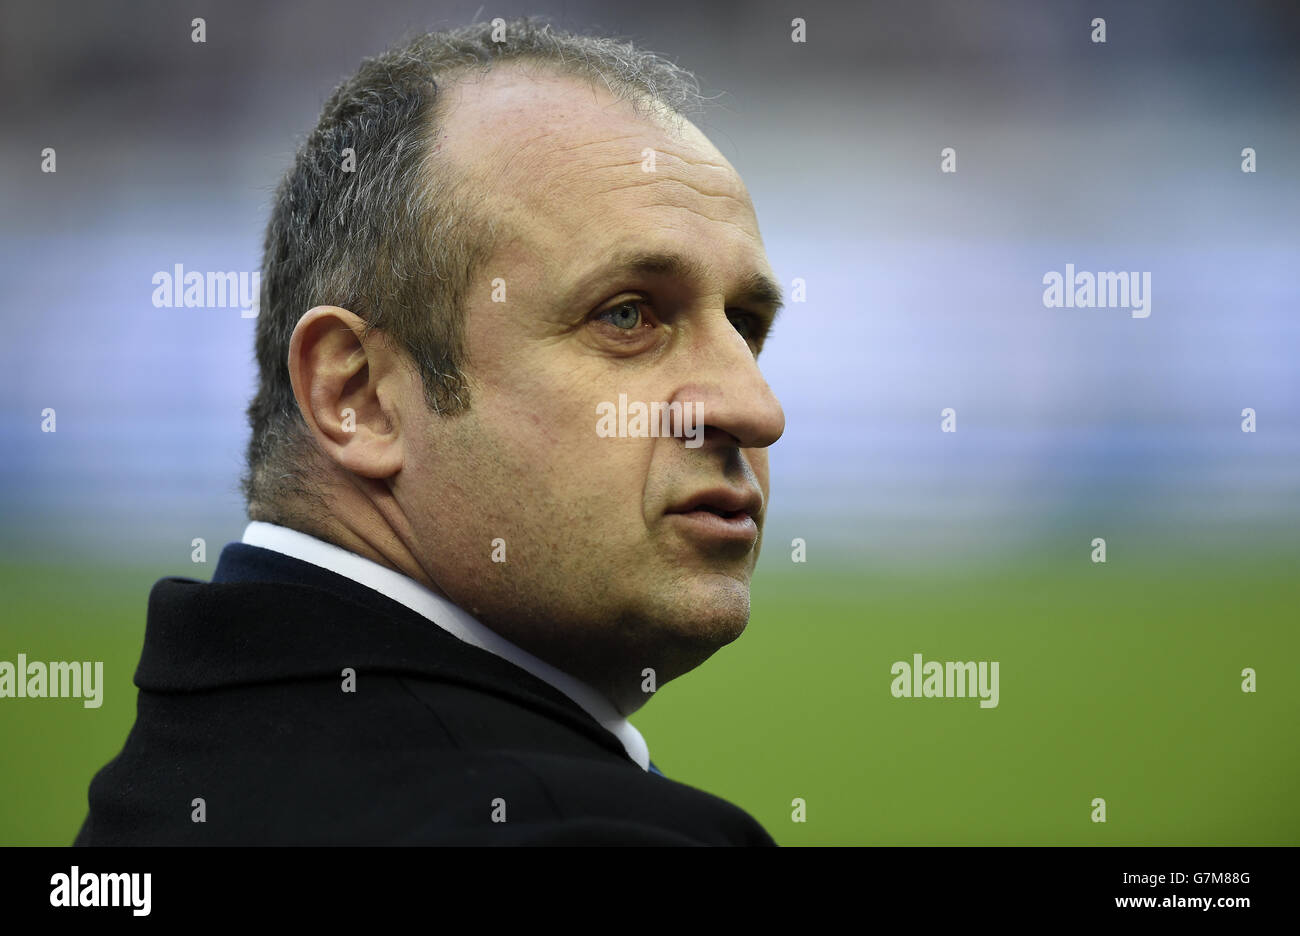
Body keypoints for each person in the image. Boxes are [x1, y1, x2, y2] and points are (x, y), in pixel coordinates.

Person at [75, 16, 785, 846]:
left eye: (745, 324)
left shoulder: (179, 777)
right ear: (361, 395)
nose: (753, 408)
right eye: (626, 315)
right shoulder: (577, 832)